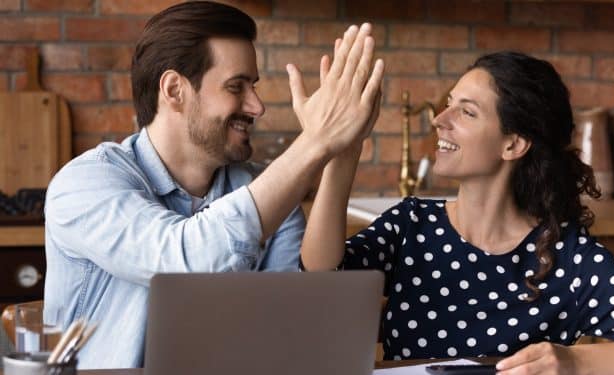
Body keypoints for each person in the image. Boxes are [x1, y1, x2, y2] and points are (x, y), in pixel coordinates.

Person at [300, 51, 614, 374]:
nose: (440, 120)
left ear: (513, 145)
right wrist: (342, 151)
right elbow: (321, 278)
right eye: (448, 104)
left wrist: (572, 364)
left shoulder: (564, 256)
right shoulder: (412, 226)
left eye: (466, 111)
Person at [43, 1, 384, 369]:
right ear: (175, 90)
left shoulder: (260, 188)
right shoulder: (85, 184)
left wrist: (342, 150)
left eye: (253, 87)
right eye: (236, 87)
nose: (256, 106)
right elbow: (185, 261)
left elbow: (304, 315)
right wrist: (315, 142)